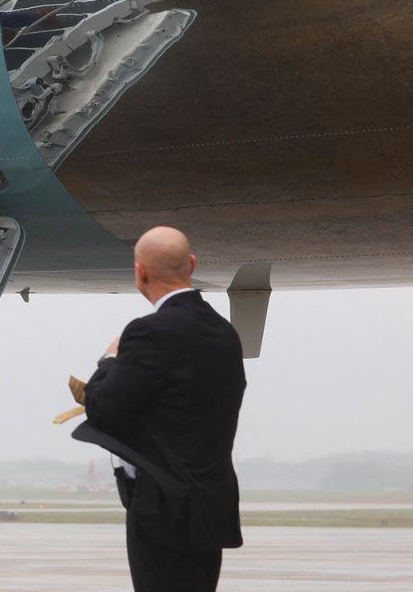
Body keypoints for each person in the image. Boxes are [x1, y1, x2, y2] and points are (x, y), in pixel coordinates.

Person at [71, 227, 246, 592]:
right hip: (209, 506)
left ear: (141, 273)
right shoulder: (225, 333)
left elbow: (103, 409)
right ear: (192, 264)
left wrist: (109, 359)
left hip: (162, 508)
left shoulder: (149, 332)